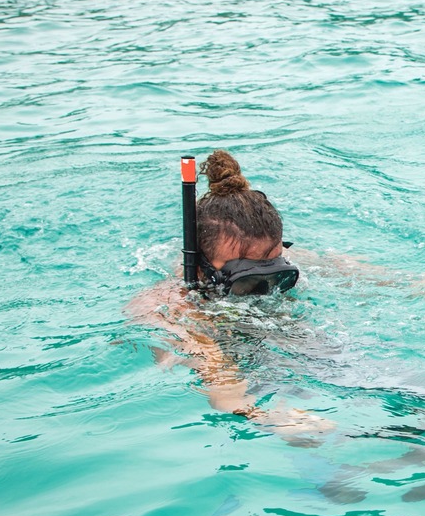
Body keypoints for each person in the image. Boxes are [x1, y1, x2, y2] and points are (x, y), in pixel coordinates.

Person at [127, 149, 330, 439]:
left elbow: (361, 272)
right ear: (201, 269)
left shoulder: (290, 256)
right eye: (247, 282)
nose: (265, 292)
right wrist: (267, 417)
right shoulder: (167, 307)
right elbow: (220, 382)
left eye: (277, 275)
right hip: (251, 372)